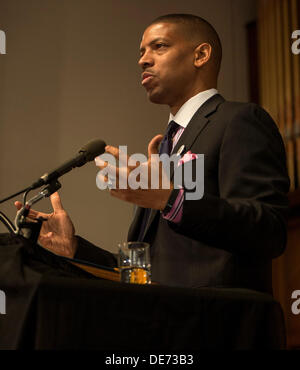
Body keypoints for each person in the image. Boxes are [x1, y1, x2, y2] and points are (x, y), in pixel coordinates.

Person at [15, 14, 290, 294]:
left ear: (201, 55)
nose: (143, 60)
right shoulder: (162, 152)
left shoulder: (238, 120)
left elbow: (269, 231)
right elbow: (146, 272)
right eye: (142, 51)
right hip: (161, 325)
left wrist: (171, 201)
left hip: (216, 326)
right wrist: (74, 249)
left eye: (159, 47)